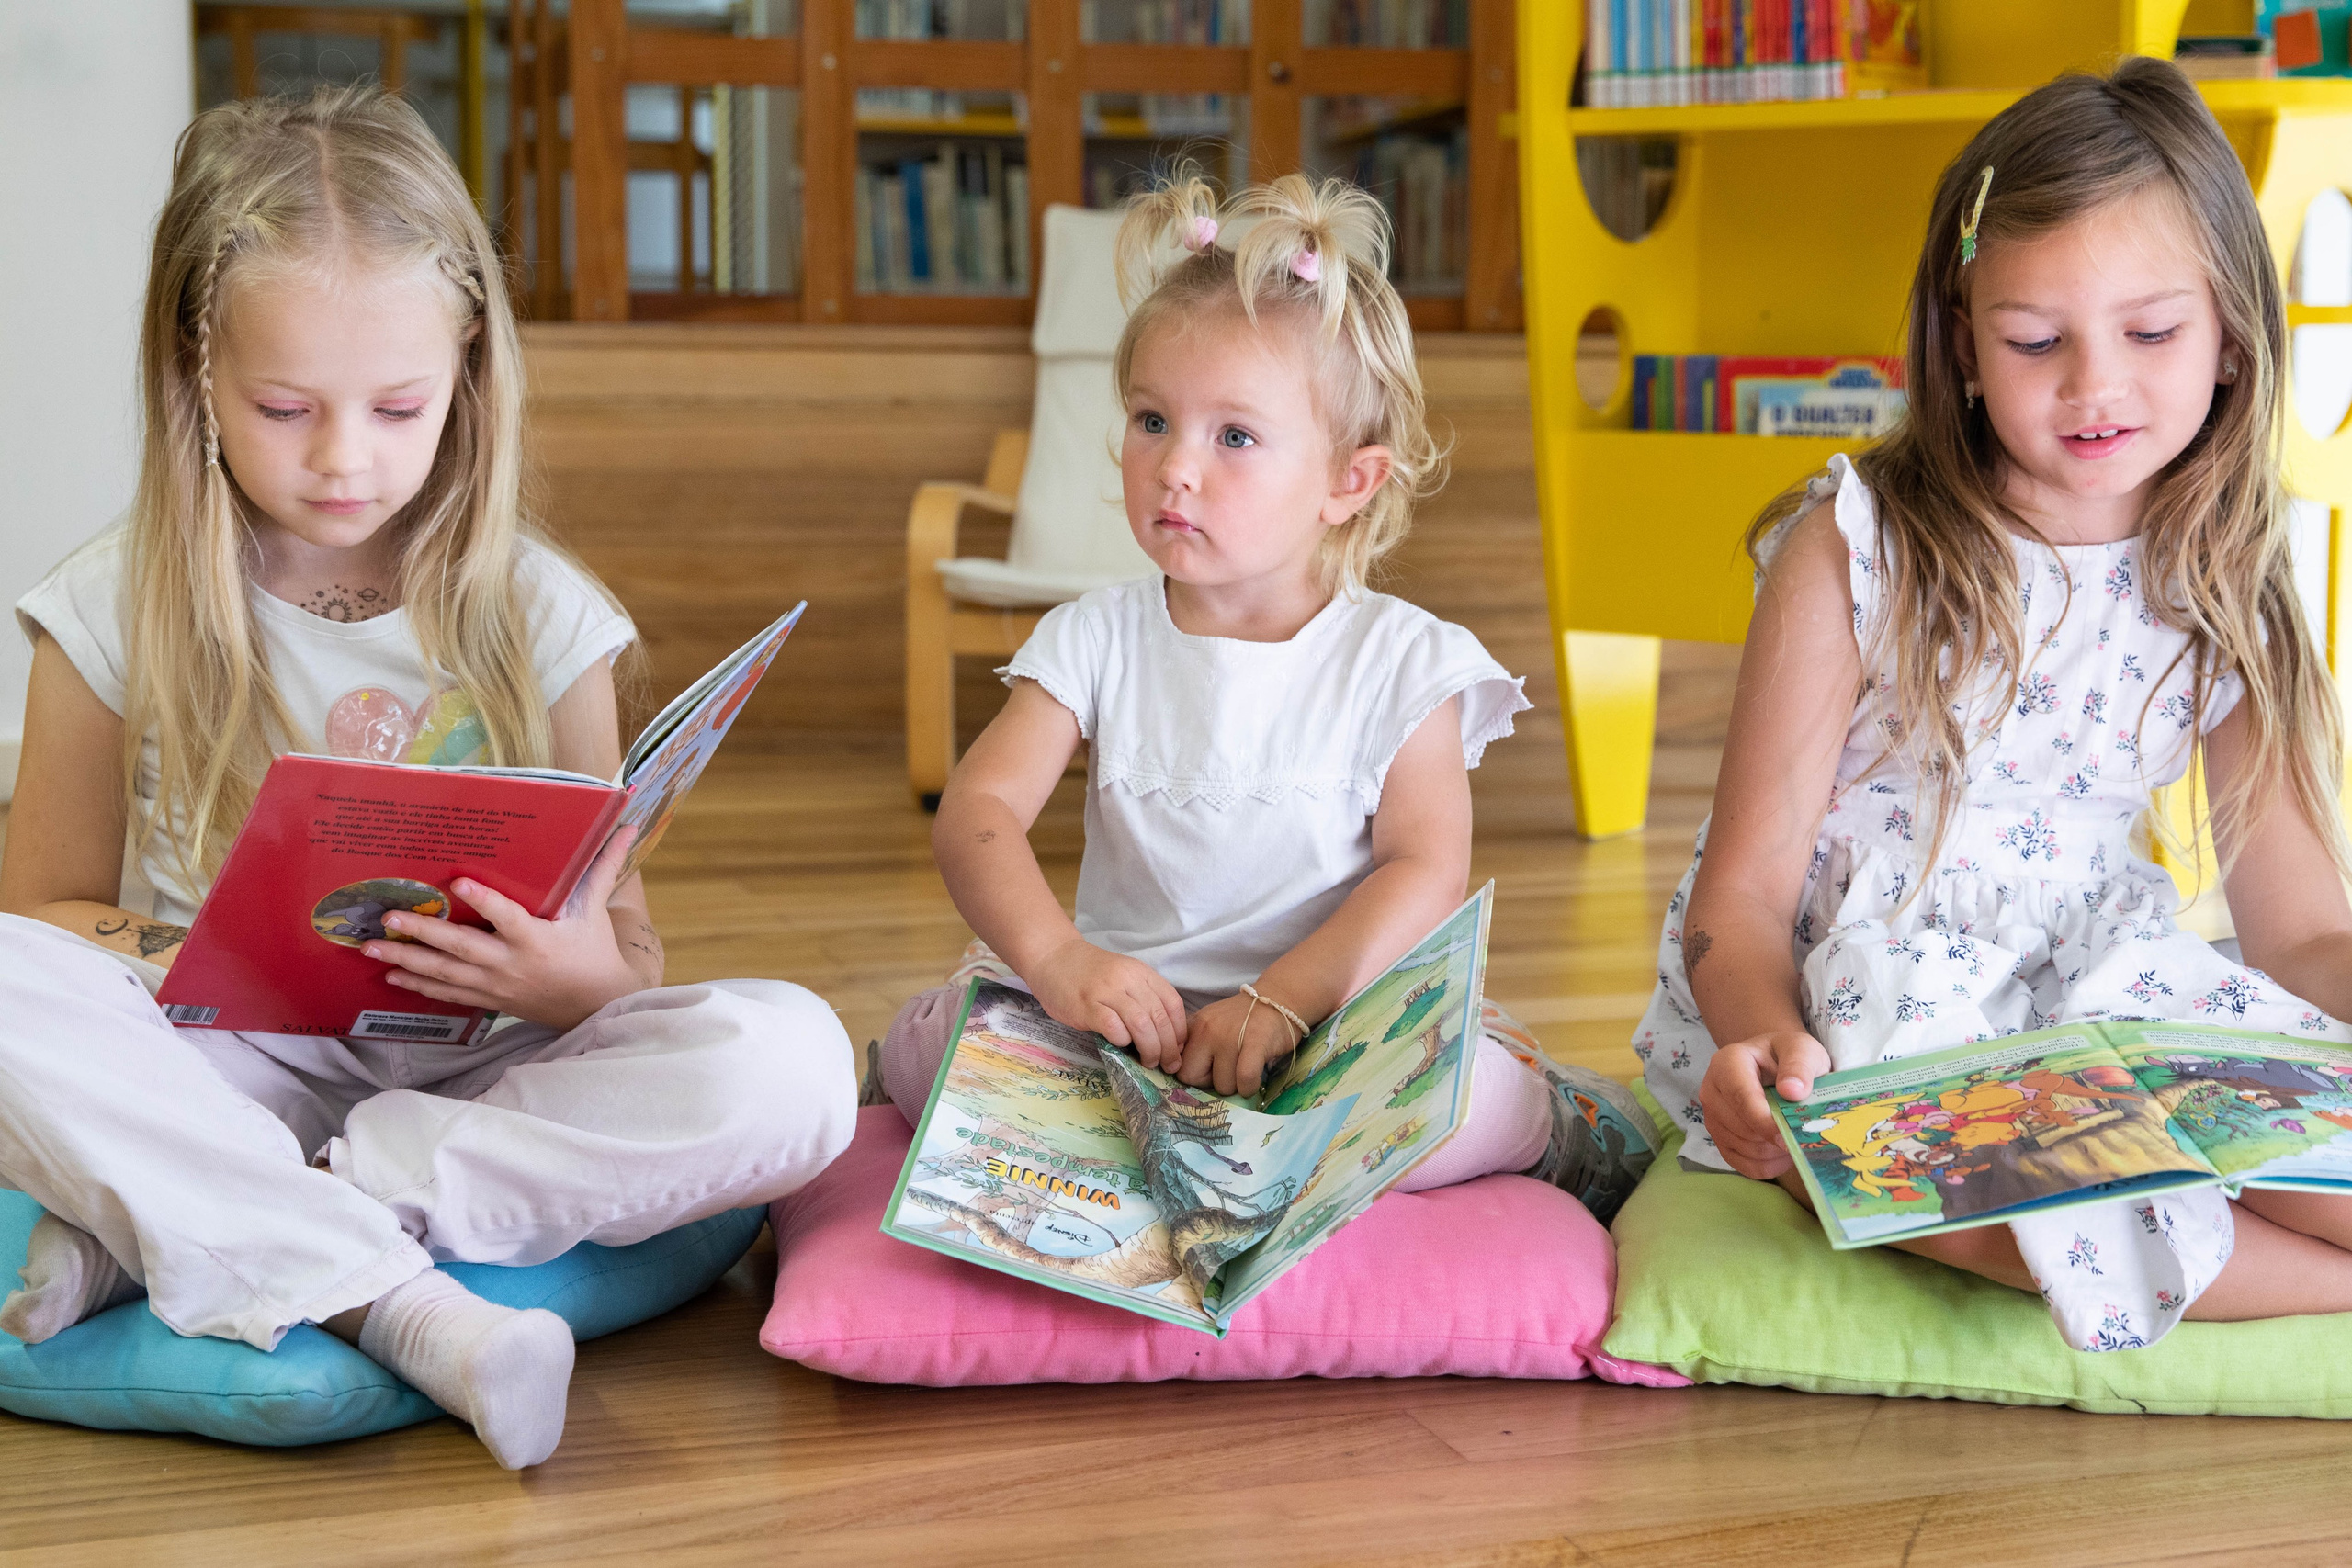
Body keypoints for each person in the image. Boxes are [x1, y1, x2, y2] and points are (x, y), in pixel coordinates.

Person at [0, 88, 854, 1466]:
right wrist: (201, 953)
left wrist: (572, 979)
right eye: (286, 407)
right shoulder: (111, 605)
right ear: (194, 369)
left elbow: (626, 951)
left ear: (469, 364)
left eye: (399, 405)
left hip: (486, 1075)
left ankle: (207, 1220)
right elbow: (39, 906)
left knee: (799, 1062)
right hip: (225, 1060)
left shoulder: (547, 612)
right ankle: (402, 1308)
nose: (346, 457)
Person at [1638, 58, 2352, 1351]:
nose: (2095, 386)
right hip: (1872, 989)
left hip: (2098, 981)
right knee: (1917, 1168)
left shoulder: (2223, 579)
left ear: (2234, 334)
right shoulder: (1852, 547)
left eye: (2151, 333)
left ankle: (2184, 1221)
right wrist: (1765, 1038)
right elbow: (1737, 898)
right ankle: (2279, 1273)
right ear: (1962, 341)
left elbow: (2301, 935)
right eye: (2035, 340)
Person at [876, 171, 1657, 1218]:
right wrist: (1060, 959)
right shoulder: (1094, 634)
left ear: (1351, 481)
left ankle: (1567, 1123)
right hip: (1124, 1029)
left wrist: (1284, 1001)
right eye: (1151, 420)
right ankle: (1174, 1144)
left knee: (1462, 1106)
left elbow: (1424, 867)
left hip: (1323, 1024)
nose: (1174, 469)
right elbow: (976, 814)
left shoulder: (1404, 659)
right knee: (926, 1050)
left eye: (1232, 437)